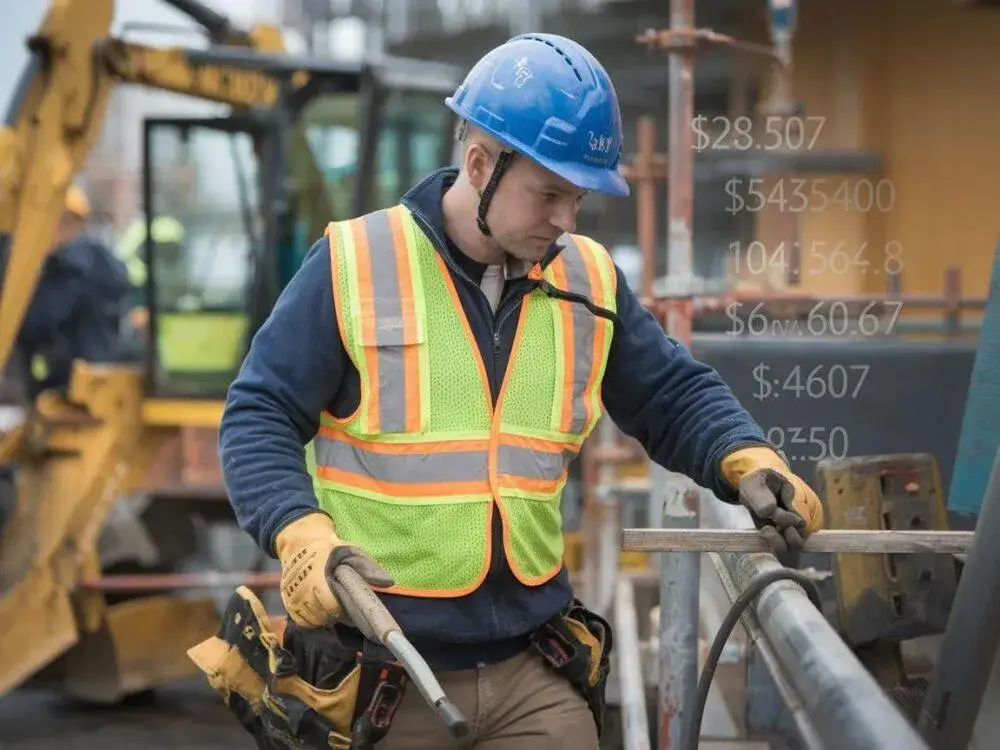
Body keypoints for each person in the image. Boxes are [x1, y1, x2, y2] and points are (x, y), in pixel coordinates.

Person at [193, 33, 823, 750]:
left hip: (533, 670)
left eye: (577, 198)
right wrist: (297, 529)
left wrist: (745, 458)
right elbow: (259, 413)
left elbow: (671, 394)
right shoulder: (355, 262)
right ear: (479, 165)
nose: (566, 220)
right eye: (549, 193)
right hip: (384, 674)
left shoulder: (587, 278)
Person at [17, 184, 131, 398]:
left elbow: (42, 319)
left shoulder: (66, 266)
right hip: (94, 373)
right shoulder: (99, 258)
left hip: (74, 380)